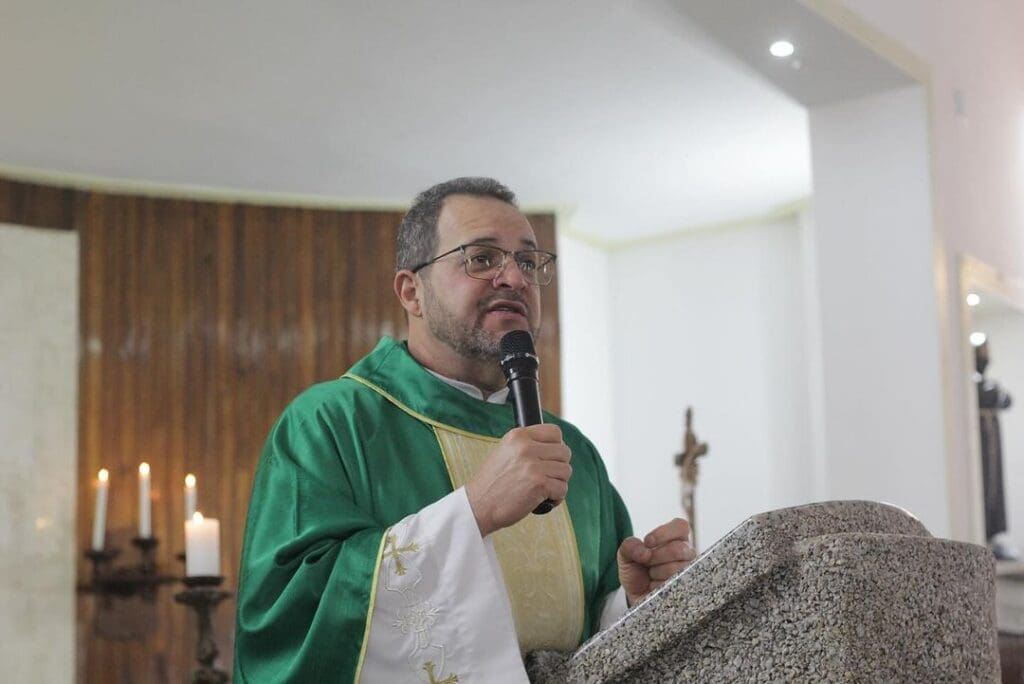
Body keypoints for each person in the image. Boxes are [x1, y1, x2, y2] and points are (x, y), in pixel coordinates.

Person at [234, 177, 695, 683]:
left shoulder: (572, 451)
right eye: (481, 258)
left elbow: (585, 631)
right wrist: (475, 511)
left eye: (527, 261)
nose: (514, 278)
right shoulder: (329, 424)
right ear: (412, 292)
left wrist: (631, 603)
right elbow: (291, 624)